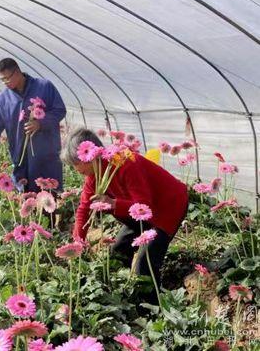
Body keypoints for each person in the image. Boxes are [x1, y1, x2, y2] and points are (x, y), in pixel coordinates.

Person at [62, 128, 188, 304]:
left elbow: (145, 205)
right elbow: (84, 209)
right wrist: (78, 244)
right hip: (137, 214)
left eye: (76, 162)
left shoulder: (127, 163)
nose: (75, 168)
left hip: (167, 207)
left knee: (145, 264)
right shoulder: (93, 176)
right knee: (118, 253)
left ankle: (153, 309)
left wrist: (113, 203)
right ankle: (121, 298)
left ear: (91, 154)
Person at [0, 58, 66, 192]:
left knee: (50, 194)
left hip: (46, 154)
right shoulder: (3, 99)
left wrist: (40, 123)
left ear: (18, 72)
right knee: (27, 197)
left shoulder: (44, 87)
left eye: (8, 78)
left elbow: (60, 110)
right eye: (2, 79)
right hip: (21, 157)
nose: (6, 82)